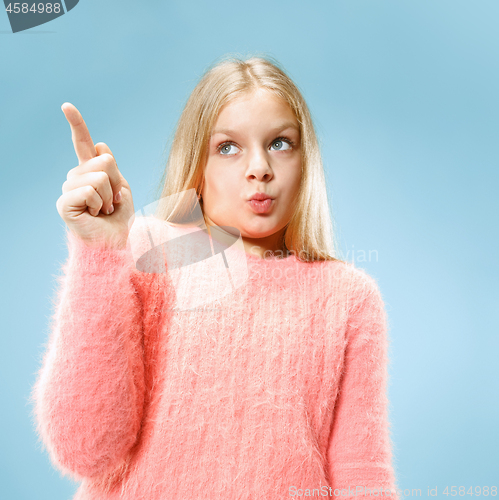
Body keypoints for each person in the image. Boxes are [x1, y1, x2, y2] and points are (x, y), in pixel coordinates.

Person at [30, 55, 399, 499]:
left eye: (280, 143)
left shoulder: (348, 298)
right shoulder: (150, 251)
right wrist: (102, 251)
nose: (259, 167)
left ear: (306, 159)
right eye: (228, 147)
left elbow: (363, 478)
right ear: (198, 165)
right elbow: (84, 449)